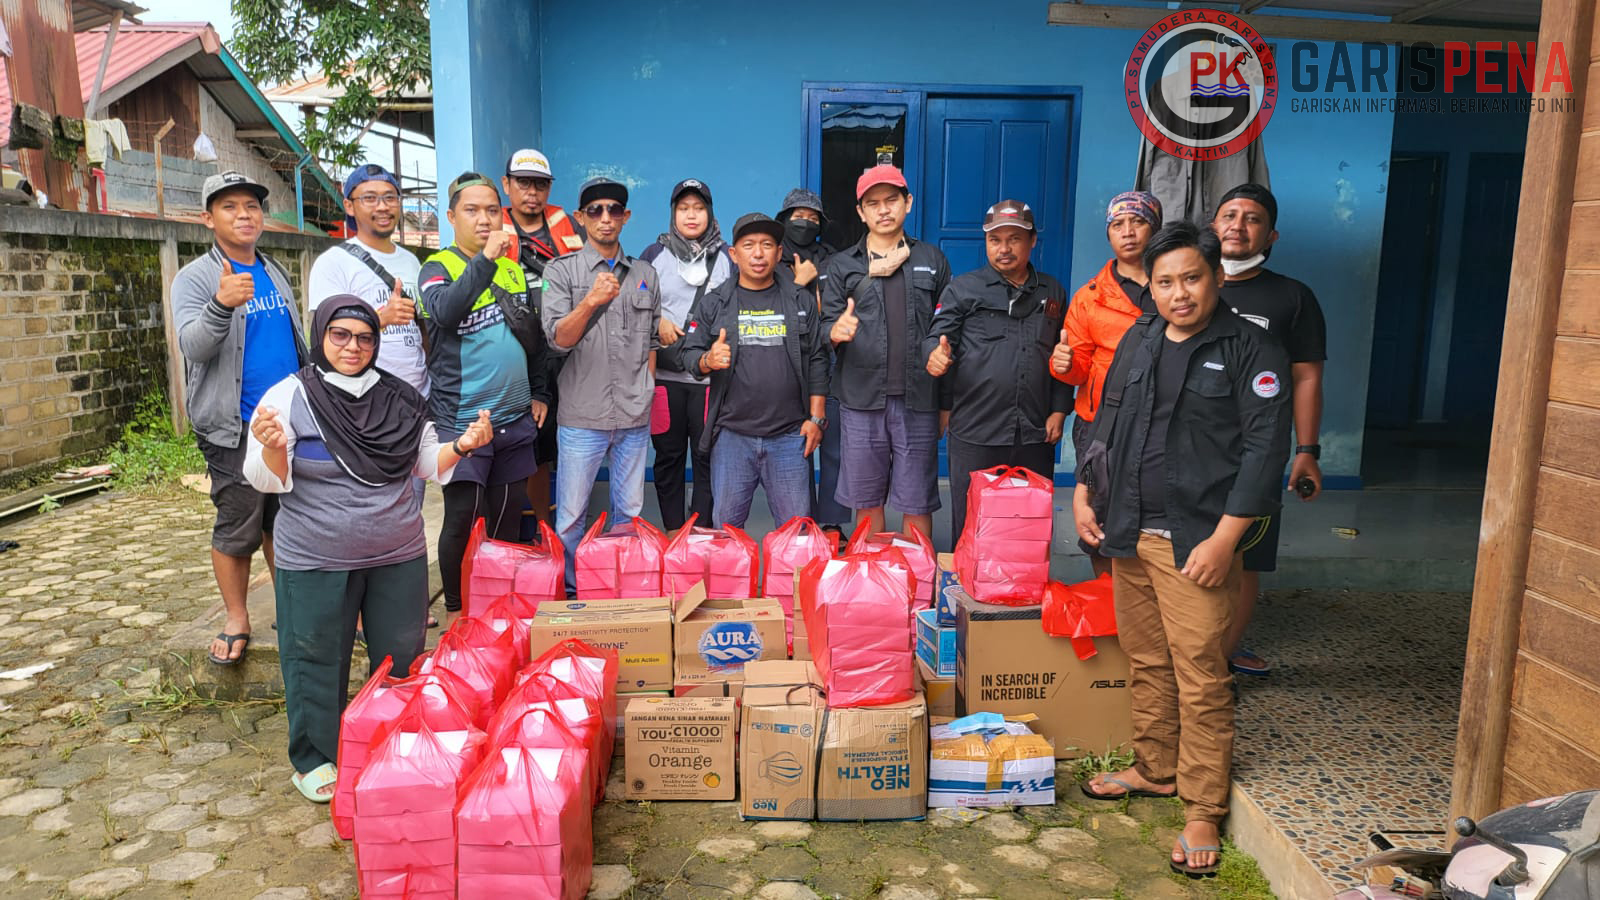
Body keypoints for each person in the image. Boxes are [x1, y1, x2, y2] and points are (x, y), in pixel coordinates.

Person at [1072, 222, 1291, 878]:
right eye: (1165, 282)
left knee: (1199, 671)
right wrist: (1084, 491)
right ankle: (1155, 767)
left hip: (1195, 538)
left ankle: (1202, 806)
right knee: (1145, 658)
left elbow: (1264, 450)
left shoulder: (1253, 349)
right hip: (1128, 526)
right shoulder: (1141, 338)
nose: (1179, 293)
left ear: (1216, 278)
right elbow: (1107, 418)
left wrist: (1227, 538)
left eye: (1191, 278)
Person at [244, 299, 494, 802]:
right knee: (314, 657)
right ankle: (315, 759)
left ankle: (395, 746)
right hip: (314, 558)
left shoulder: (401, 398)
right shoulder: (290, 395)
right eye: (339, 335)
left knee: (401, 659)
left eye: (363, 337)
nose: (352, 346)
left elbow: (426, 461)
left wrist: (463, 445)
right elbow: (265, 478)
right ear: (321, 336)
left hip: (396, 554)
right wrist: (271, 445)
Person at [170, 171, 306, 667]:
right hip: (234, 425)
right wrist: (220, 305)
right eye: (230, 207)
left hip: (286, 421)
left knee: (283, 518)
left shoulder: (274, 270)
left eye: (252, 205)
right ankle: (236, 617)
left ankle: (289, 608)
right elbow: (193, 347)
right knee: (238, 524)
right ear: (209, 218)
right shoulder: (195, 278)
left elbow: (295, 344)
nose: (244, 214)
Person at [417, 172, 551, 615]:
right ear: (452, 217)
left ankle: (500, 607)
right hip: (464, 423)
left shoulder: (514, 270)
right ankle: (457, 610)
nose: (484, 219)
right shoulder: (437, 268)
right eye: (472, 210)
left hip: (515, 420)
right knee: (464, 519)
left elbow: (532, 338)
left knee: (508, 518)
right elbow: (447, 312)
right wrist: (486, 261)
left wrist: (539, 392)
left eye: (492, 210)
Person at [1212, 182, 1328, 677]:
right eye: (1229, 215)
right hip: (1188, 448)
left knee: (1244, 558)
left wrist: (1306, 450)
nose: (1238, 225)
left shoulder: (1291, 297)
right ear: (1212, 226)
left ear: (1271, 234)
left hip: (1256, 451)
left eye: (1252, 218)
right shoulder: (1185, 284)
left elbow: (1306, 376)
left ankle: (1216, 666)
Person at [924, 200, 1071, 542]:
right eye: (995, 240)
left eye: (1014, 239)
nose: (1004, 249)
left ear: (1032, 240)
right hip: (977, 428)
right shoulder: (963, 289)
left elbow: (1064, 354)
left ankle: (1025, 585)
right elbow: (936, 338)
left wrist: (1060, 410)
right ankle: (966, 586)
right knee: (972, 521)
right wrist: (933, 355)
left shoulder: (1052, 291)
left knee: (1029, 521)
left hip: (1035, 430)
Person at [671, 212, 828, 529]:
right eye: (749, 245)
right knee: (727, 533)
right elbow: (688, 353)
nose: (758, 253)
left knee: (795, 535)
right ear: (734, 253)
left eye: (767, 245)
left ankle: (787, 582)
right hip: (732, 438)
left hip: (789, 435)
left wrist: (816, 418)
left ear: (779, 253)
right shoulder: (715, 303)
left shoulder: (801, 300)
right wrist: (707, 360)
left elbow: (818, 361)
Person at [542, 176, 661, 592]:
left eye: (614, 210)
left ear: (626, 217)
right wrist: (590, 300)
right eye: (595, 210)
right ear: (580, 218)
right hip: (581, 417)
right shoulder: (561, 272)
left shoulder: (646, 274)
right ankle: (574, 593)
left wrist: (645, 387)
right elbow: (557, 339)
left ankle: (619, 590)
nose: (605, 218)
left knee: (628, 512)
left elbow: (650, 340)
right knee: (572, 516)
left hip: (633, 415)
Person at [819, 165, 950, 540]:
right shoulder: (843, 265)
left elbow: (946, 329)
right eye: (872, 203)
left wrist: (946, 403)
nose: (883, 210)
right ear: (861, 212)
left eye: (891, 200)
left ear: (907, 203)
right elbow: (823, 326)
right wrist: (835, 331)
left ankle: (917, 584)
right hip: (861, 400)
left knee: (917, 500)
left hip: (919, 400)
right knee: (867, 497)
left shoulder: (932, 260)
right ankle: (872, 583)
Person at [1052, 190, 1163, 573]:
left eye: (1138, 222)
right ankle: (1107, 604)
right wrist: (1064, 364)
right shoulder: (1090, 297)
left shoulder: (1173, 287)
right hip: (1102, 425)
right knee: (1099, 518)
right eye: (1118, 225)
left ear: (1155, 228)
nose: (1128, 232)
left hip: (1162, 420)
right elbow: (1078, 368)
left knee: (1156, 514)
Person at [640, 179, 731, 531]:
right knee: (668, 458)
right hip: (665, 378)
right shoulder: (654, 256)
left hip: (711, 379)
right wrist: (657, 317)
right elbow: (638, 300)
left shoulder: (727, 257)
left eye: (698, 208)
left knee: (708, 457)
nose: (691, 215)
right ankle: (675, 530)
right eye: (683, 208)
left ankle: (702, 530)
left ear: (709, 212)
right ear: (673, 214)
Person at [501, 148, 585, 528]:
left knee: (552, 446)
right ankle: (510, 528)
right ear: (507, 186)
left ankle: (544, 528)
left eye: (539, 184)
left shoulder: (570, 229)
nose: (531, 192)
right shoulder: (491, 230)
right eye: (523, 183)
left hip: (562, 354)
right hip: (511, 355)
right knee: (515, 444)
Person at [777, 187, 850, 540]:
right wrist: (797, 283)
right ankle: (802, 520)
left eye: (811, 218)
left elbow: (834, 316)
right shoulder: (772, 257)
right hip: (787, 361)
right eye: (797, 217)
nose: (804, 223)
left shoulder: (834, 260)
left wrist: (812, 286)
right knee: (797, 444)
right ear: (783, 221)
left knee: (834, 445)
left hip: (830, 361)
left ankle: (833, 523)